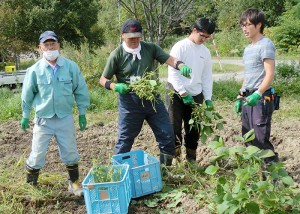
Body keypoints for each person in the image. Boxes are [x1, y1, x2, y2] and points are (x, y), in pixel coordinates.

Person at [99, 18, 192, 166]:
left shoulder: (150, 48)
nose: (135, 40)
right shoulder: (117, 55)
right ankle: (118, 173)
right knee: (125, 140)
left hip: (152, 100)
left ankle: (165, 171)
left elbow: (169, 59)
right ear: (123, 35)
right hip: (130, 103)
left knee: (167, 134)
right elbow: (103, 79)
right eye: (131, 37)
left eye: (138, 37)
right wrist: (114, 86)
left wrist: (180, 65)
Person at [21, 31, 90, 196]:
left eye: (53, 44)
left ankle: (73, 182)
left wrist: (82, 113)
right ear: (40, 48)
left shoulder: (71, 67)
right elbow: (27, 94)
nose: (50, 47)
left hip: (64, 117)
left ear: (59, 45)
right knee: (37, 154)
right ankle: (31, 186)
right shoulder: (34, 70)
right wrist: (25, 115)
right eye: (46, 45)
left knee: (70, 152)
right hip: (43, 120)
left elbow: (80, 91)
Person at [166, 18, 216, 162]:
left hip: (196, 94)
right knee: (174, 127)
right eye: (202, 35)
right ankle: (176, 160)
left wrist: (208, 98)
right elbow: (173, 73)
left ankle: (191, 159)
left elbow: (206, 76)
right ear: (194, 30)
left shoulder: (205, 52)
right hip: (176, 92)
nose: (204, 39)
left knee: (194, 128)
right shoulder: (180, 47)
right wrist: (182, 92)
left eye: (207, 37)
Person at [234, 8, 278, 164]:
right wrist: (241, 95)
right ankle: (256, 174)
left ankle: (274, 178)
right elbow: (249, 75)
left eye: (248, 25)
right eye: (242, 25)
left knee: (260, 139)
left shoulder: (266, 44)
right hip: (248, 98)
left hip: (261, 99)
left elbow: (269, 74)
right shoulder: (248, 49)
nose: (244, 29)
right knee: (247, 136)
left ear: (259, 25)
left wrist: (257, 93)